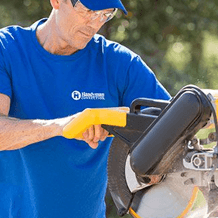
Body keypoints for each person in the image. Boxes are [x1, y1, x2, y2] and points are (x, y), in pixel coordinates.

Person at [0, 0, 171, 217]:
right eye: (88, 10)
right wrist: (63, 126)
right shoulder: (7, 48)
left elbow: (173, 127)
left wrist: (155, 161)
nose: (95, 22)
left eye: (105, 14)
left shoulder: (119, 64)